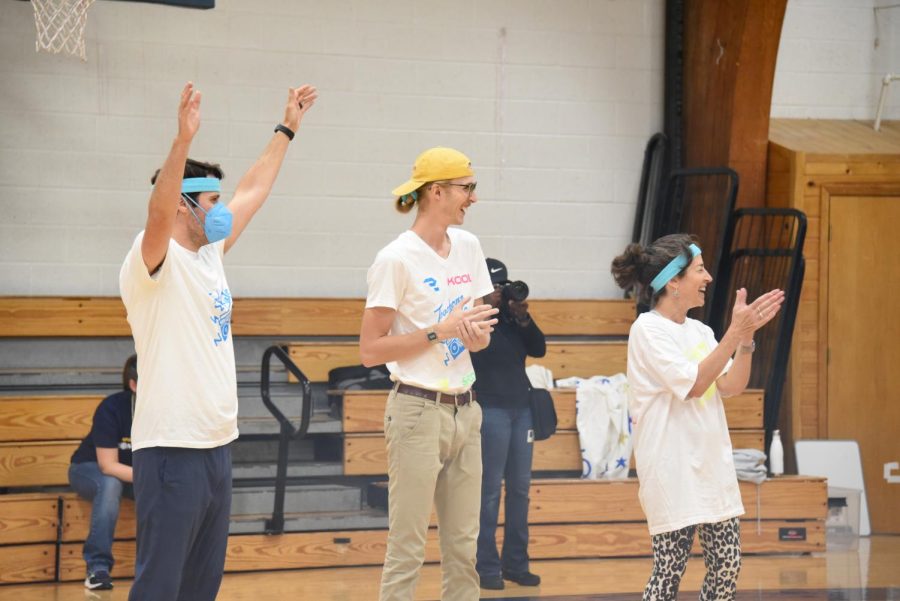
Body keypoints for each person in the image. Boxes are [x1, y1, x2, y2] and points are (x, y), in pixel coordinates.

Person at [119, 81, 317, 601]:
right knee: (160, 585)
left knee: (200, 586)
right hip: (170, 449)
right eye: (210, 200)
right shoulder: (152, 257)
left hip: (215, 446)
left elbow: (253, 189)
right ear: (185, 205)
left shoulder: (211, 253)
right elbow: (157, 213)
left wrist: (287, 129)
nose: (222, 208)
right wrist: (182, 140)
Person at [610, 234, 784, 601]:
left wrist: (746, 340)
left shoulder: (701, 331)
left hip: (711, 468)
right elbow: (694, 385)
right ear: (673, 281)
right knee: (669, 569)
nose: (708, 278)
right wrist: (734, 333)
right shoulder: (647, 330)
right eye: (699, 270)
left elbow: (731, 386)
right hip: (672, 470)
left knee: (727, 565)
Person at [359, 147, 499, 601]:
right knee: (408, 546)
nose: (473, 198)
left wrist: (476, 337)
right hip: (417, 410)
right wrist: (437, 333)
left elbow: (478, 329)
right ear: (436, 192)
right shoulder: (395, 259)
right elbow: (370, 350)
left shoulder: (470, 247)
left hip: (466, 409)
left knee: (464, 546)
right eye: (467, 188)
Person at [471, 258, 546, 590]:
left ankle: (515, 564)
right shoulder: (476, 320)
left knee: (520, 491)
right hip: (490, 410)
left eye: (503, 287)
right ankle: (486, 567)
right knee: (488, 493)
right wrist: (489, 309)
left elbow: (540, 349)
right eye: (495, 288)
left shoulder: (513, 320)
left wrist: (523, 317)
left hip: (521, 410)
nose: (500, 293)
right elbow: (484, 354)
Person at [68, 355, 138, 591]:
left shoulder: (164, 412)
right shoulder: (112, 408)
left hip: (131, 475)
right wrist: (150, 479)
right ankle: (97, 569)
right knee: (110, 484)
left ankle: (162, 567)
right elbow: (108, 466)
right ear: (133, 384)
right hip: (88, 470)